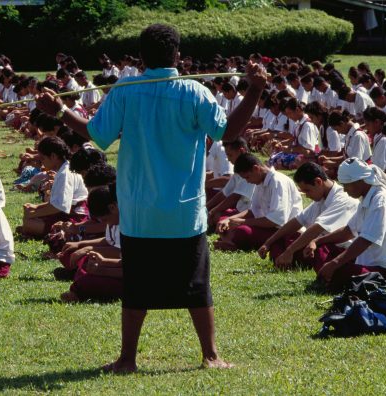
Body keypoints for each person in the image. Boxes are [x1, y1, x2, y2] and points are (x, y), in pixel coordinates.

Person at [37, 24, 267, 372]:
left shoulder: (128, 89)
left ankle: (127, 359)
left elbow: (97, 135)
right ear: (178, 55)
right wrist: (255, 90)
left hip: (140, 211)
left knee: (137, 287)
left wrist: (61, 112)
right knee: (197, 285)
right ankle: (210, 355)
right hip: (183, 211)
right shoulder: (195, 92)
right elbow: (229, 132)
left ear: (141, 57)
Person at [304, 158, 386, 291]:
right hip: (367, 264)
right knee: (322, 249)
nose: (345, 190)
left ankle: (331, 279)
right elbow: (348, 231)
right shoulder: (368, 197)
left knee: (340, 270)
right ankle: (330, 278)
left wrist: (335, 263)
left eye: (346, 185)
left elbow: (366, 239)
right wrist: (317, 241)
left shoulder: (381, 199)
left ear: (360, 181)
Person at [257, 162, 358, 270]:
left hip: (336, 248)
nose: (307, 195)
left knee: (319, 251)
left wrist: (289, 251)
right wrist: (268, 242)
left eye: (307, 190)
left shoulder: (343, 199)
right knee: (281, 240)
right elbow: (296, 221)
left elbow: (316, 229)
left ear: (318, 182)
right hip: (315, 244)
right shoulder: (321, 198)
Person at [215, 153, 302, 251]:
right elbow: (253, 210)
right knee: (223, 220)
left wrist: (242, 222)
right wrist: (230, 219)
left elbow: (276, 220)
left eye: (247, 177)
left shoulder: (278, 182)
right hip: (266, 227)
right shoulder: (260, 181)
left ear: (256, 169)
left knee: (242, 230)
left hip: (282, 231)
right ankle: (230, 241)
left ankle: (231, 242)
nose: (247, 182)